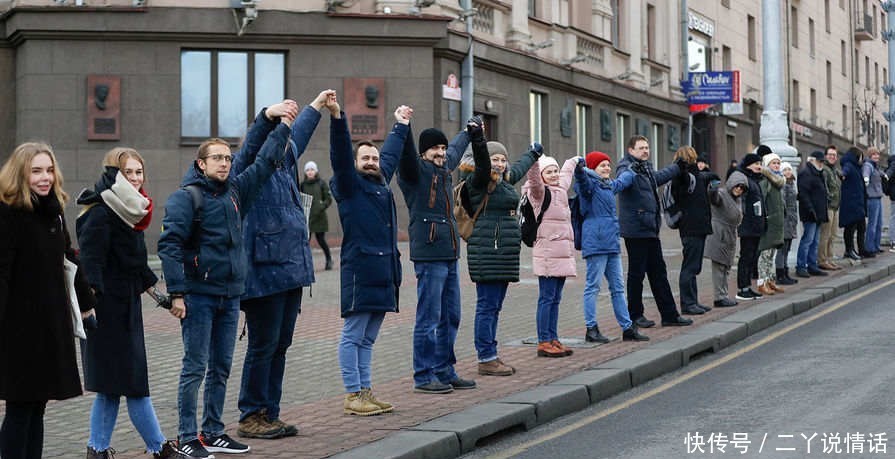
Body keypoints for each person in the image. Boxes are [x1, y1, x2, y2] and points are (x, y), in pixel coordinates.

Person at [158, 103, 297, 458]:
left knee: (221, 368)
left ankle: (213, 431)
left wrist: (281, 126)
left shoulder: (236, 193)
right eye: (216, 158)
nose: (224, 163)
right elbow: (169, 245)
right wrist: (176, 293)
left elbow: (263, 161)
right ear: (201, 164)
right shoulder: (186, 198)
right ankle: (188, 436)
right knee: (195, 368)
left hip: (230, 296)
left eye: (227, 158)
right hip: (199, 297)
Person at [234, 95, 330, 440]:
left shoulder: (286, 162)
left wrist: (316, 106)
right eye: (277, 135)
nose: (283, 140)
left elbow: (298, 134)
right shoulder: (246, 167)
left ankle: (270, 412)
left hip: (291, 270)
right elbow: (256, 145)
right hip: (263, 273)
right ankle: (250, 414)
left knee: (280, 345)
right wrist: (267, 115)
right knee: (263, 345)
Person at [77, 148, 184, 458]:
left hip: (126, 309)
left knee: (112, 387)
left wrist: (162, 297)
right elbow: (90, 265)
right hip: (105, 312)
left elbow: (134, 264)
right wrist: (89, 309)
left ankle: (97, 450)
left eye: (139, 172)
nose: (136, 178)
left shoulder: (128, 211)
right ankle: (160, 448)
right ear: (114, 174)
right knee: (134, 384)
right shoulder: (100, 211)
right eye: (129, 172)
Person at [0, 142, 96, 459]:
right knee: (20, 407)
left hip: (49, 325)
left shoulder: (52, 211)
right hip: (17, 330)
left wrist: (86, 303)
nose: (45, 177)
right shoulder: (9, 214)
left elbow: (67, 259)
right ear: (20, 173)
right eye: (36, 170)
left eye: (50, 170)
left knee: (37, 406)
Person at [330, 100, 404, 416]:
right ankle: (352, 394)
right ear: (356, 162)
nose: (372, 162)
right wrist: (337, 117)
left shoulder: (379, 182)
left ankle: (366, 391)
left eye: (374, 158)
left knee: (368, 339)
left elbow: (389, 156)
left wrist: (400, 125)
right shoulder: (349, 185)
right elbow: (341, 157)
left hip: (384, 271)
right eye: (366, 158)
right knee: (353, 336)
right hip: (361, 269)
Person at [397, 116, 475, 394]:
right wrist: (404, 127)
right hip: (429, 255)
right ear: (423, 152)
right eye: (435, 149)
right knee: (428, 317)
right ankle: (423, 375)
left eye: (442, 148)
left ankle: (444, 370)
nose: (441, 153)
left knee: (450, 315)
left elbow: (454, 149)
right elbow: (405, 156)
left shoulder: (445, 168)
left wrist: (467, 131)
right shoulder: (413, 171)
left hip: (449, 253)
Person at [461, 129, 541, 369]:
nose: (499, 163)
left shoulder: (504, 180)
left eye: (502, 159)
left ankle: (490, 354)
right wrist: (478, 141)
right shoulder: (479, 179)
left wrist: (534, 153)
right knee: (487, 306)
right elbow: (484, 165)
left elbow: (518, 167)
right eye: (495, 159)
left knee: (494, 306)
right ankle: (485, 357)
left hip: (502, 253)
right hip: (488, 251)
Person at [616, 135, 692, 328]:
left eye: (647, 147)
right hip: (636, 229)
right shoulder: (627, 167)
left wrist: (676, 167)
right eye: (641, 148)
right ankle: (635, 315)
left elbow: (657, 178)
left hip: (650, 228)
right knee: (637, 274)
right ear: (630, 150)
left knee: (659, 273)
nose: (645, 151)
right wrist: (631, 172)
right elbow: (623, 179)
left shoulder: (646, 167)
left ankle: (669, 315)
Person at [575, 151, 649, 342]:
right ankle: (591, 329)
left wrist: (632, 170)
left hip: (611, 243)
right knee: (593, 287)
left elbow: (622, 181)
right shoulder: (589, 185)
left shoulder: (607, 185)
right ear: (593, 168)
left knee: (617, 288)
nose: (607, 168)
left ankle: (627, 328)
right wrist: (579, 169)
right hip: (597, 242)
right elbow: (582, 181)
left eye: (608, 164)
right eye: (602, 165)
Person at [522, 154, 580, 357]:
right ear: (542, 175)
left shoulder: (561, 189)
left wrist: (574, 160)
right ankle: (543, 341)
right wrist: (533, 159)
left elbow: (566, 173)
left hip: (562, 255)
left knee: (555, 298)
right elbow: (534, 179)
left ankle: (553, 338)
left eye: (555, 170)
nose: (554, 174)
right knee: (546, 298)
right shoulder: (539, 193)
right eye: (549, 172)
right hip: (547, 254)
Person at [671, 146, 715, 315]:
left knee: (694, 266)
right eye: (694, 158)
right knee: (689, 267)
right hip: (691, 227)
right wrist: (682, 165)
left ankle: (693, 301)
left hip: (697, 226)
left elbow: (710, 176)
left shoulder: (694, 174)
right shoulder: (683, 176)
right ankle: (687, 304)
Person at [705, 173, 746, 308]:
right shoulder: (722, 194)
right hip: (719, 235)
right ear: (731, 184)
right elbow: (714, 198)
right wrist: (712, 188)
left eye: (742, 187)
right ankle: (719, 297)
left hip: (729, 235)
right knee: (719, 267)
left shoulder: (737, 199)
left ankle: (724, 295)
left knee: (726, 267)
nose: (739, 189)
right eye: (737, 185)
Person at [729, 153, 766, 301]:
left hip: (755, 225)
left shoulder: (754, 179)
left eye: (760, 163)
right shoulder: (744, 179)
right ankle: (742, 289)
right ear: (748, 165)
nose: (759, 166)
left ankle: (748, 287)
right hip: (748, 225)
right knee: (746, 257)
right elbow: (740, 201)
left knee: (751, 257)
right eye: (756, 163)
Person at [795, 151, 830, 278]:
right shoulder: (806, 173)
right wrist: (811, 210)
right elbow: (803, 194)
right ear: (812, 160)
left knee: (814, 241)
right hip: (811, 213)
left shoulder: (819, 173)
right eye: (819, 161)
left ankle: (812, 265)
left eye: (822, 162)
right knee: (807, 240)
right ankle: (801, 266)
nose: (821, 164)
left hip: (818, 212)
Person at [756, 153, 786, 296]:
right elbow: (761, 201)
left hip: (777, 223)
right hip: (769, 222)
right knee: (765, 254)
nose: (776, 165)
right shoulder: (766, 182)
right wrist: (765, 218)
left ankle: (770, 280)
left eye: (778, 163)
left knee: (772, 254)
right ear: (767, 166)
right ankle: (762, 282)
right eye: (773, 163)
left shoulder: (778, 181)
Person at [301, 160, 334, 270]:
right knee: (305, 243)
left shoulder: (321, 183)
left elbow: (328, 199)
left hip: (319, 217)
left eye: (312, 170)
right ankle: (305, 264)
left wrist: (321, 206)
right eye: (308, 170)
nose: (310, 172)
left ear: (316, 171)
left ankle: (329, 260)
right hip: (307, 218)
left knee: (321, 241)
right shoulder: (302, 185)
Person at [839, 147, 868, 261]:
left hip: (857, 203)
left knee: (860, 227)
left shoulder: (857, 167)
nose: (861, 159)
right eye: (860, 157)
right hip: (851, 204)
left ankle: (856, 249)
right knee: (850, 228)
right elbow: (844, 172)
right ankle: (849, 250)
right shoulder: (849, 165)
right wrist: (842, 175)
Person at [818, 145, 843, 269]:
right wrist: (830, 197)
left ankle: (830, 258)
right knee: (825, 235)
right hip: (828, 206)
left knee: (833, 236)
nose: (832, 157)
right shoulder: (825, 170)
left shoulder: (834, 170)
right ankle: (822, 260)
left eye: (834, 155)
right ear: (825, 156)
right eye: (830, 155)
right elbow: (824, 188)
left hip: (835, 206)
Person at [775, 162, 799, 285]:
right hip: (785, 220)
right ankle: (780, 274)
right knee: (782, 249)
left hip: (791, 220)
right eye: (785, 170)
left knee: (787, 248)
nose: (788, 172)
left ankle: (785, 272)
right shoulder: (783, 185)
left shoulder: (791, 184)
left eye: (789, 169)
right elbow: (782, 203)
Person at [862, 146, 885, 255]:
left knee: (879, 224)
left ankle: (876, 246)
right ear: (870, 155)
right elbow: (866, 173)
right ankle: (869, 247)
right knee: (872, 224)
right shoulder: (868, 165)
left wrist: (884, 174)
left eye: (877, 154)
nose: (877, 156)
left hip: (878, 197)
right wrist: (866, 179)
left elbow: (879, 172)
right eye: (874, 154)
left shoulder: (875, 166)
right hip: (872, 199)